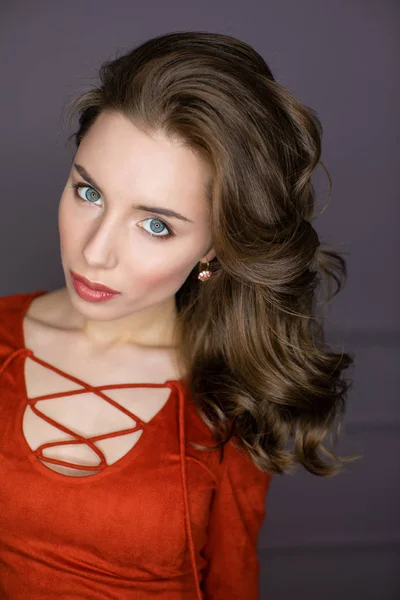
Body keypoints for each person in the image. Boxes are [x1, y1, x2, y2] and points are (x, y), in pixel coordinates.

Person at [0, 31, 354, 599]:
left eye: (156, 224)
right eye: (88, 193)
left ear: (213, 248)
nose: (95, 252)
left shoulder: (227, 402)